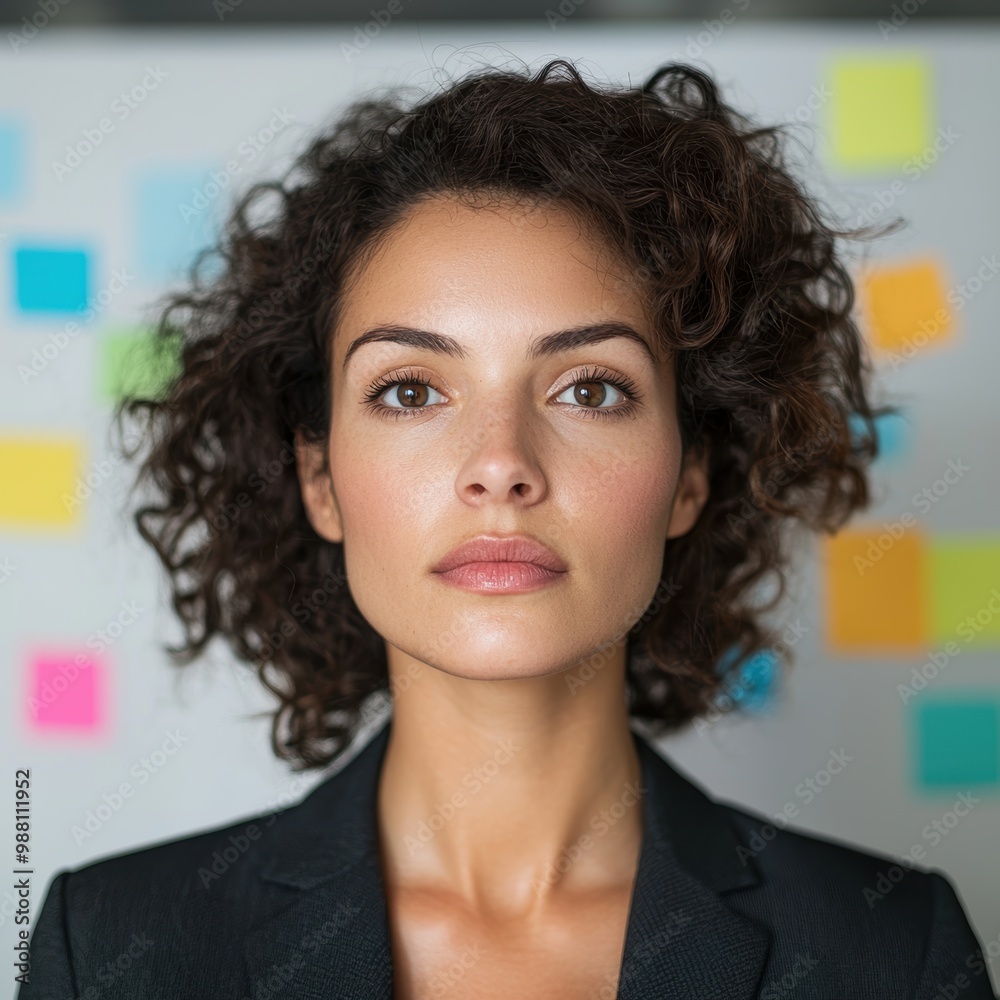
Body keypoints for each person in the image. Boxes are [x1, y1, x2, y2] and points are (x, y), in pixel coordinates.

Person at [19, 58, 996, 999]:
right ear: (318, 475)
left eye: (589, 388)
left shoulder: (889, 953)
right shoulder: (109, 944)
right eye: (409, 389)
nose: (500, 463)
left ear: (691, 472)